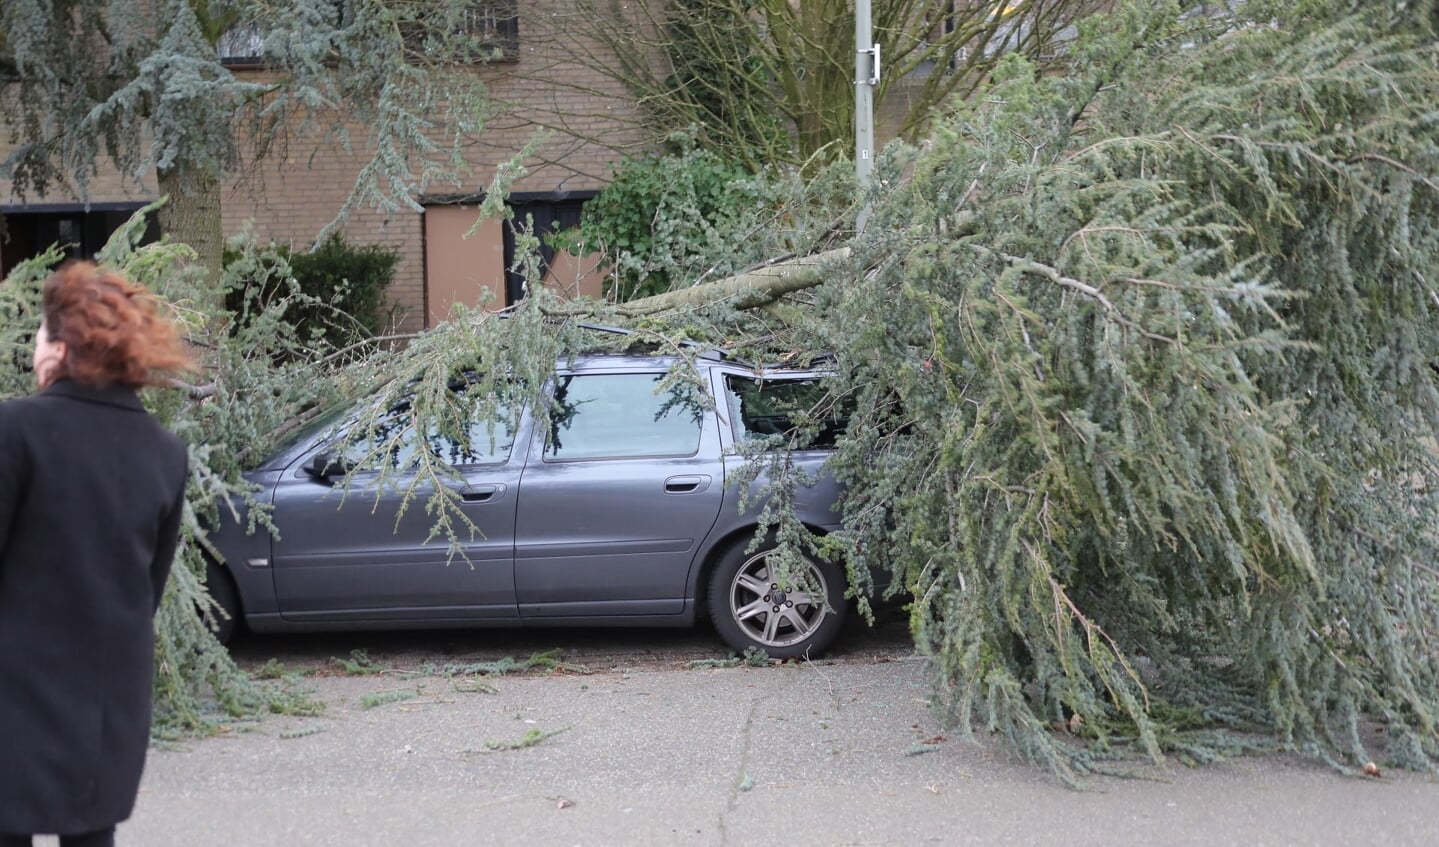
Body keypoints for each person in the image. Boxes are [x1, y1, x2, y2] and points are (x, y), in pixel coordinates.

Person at [0, 261, 193, 847]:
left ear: (62, 347)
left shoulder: (16, 429)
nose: (34, 349)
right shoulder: (164, 452)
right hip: (107, 708)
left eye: (40, 334)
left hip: (12, 704)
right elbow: (146, 590)